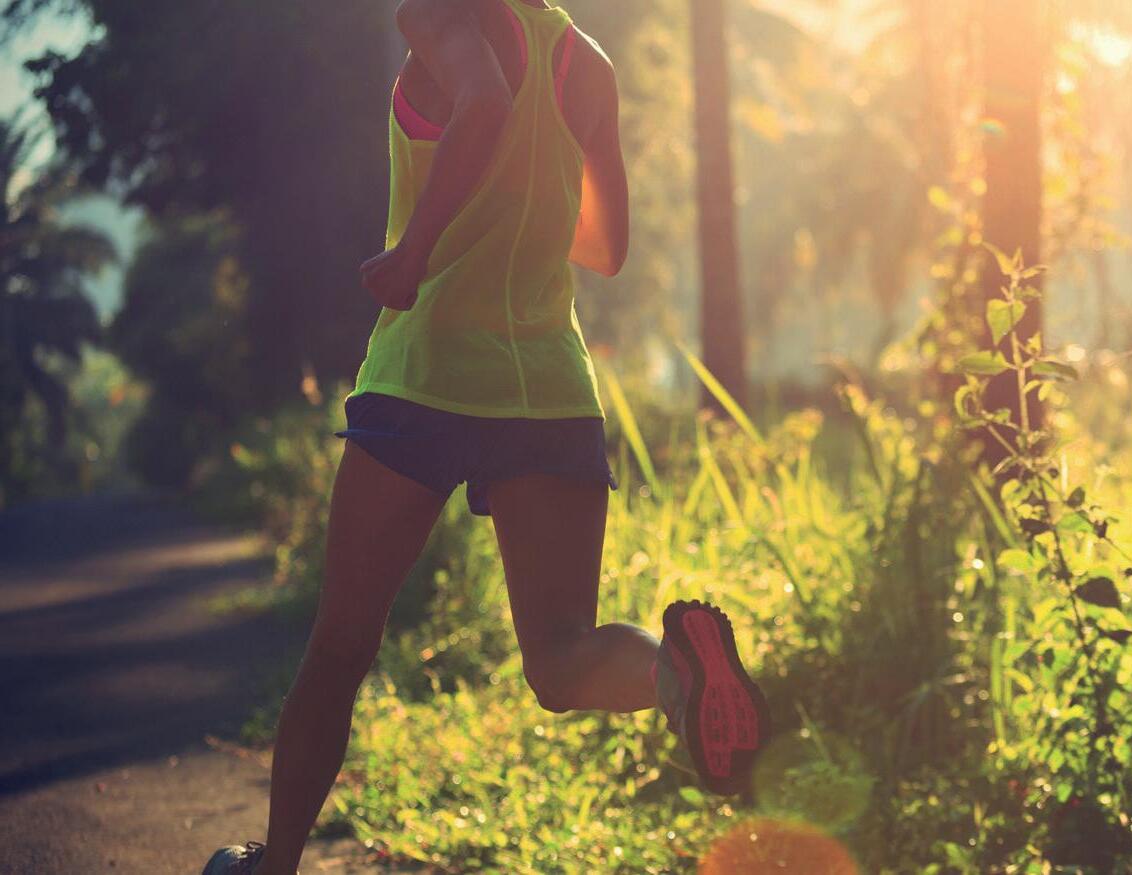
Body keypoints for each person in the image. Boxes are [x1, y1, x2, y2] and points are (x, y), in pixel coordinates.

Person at [204, 1, 768, 872]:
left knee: (340, 648)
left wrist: (415, 251)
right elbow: (607, 246)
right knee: (562, 656)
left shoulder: (437, 16)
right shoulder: (588, 63)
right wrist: (528, 185)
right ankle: (677, 675)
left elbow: (488, 103)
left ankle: (272, 865)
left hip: (426, 376)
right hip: (547, 387)